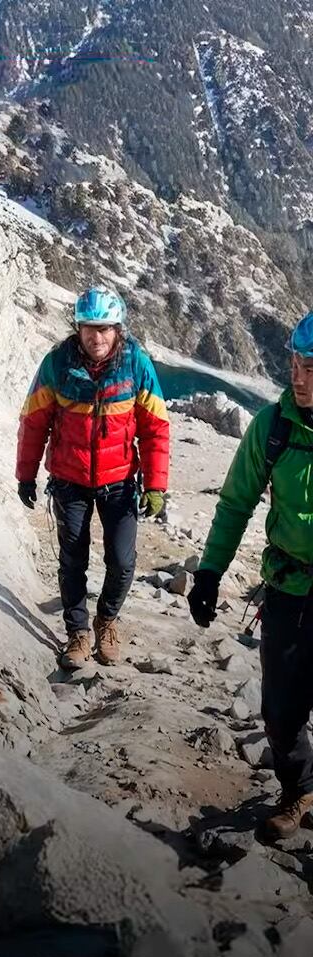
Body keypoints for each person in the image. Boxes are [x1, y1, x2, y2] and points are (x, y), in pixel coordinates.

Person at [189, 311, 313, 841]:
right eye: (294, 364)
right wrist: (209, 572)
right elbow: (236, 502)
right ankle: (299, 789)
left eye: (310, 367)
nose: (298, 378)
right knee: (281, 712)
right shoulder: (273, 427)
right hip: (289, 588)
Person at [16, 285, 170, 667]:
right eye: (88, 328)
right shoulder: (57, 364)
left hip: (120, 481)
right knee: (72, 560)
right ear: (78, 327)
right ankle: (78, 633)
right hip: (69, 480)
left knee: (123, 561)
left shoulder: (136, 364)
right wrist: (26, 474)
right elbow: (34, 422)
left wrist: (155, 485)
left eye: (104, 328)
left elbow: (155, 428)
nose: (96, 337)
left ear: (117, 329)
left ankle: (106, 619)